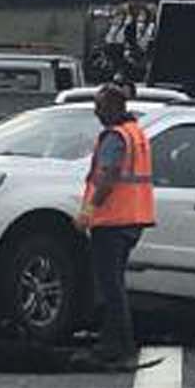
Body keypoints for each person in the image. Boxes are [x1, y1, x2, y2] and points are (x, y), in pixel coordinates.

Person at [76, 83, 156, 369]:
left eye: (99, 107)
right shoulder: (135, 133)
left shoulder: (115, 137)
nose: (96, 112)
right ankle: (120, 342)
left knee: (110, 286)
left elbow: (108, 176)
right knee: (115, 284)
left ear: (113, 108)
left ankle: (115, 346)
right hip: (133, 218)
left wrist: (88, 210)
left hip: (112, 220)